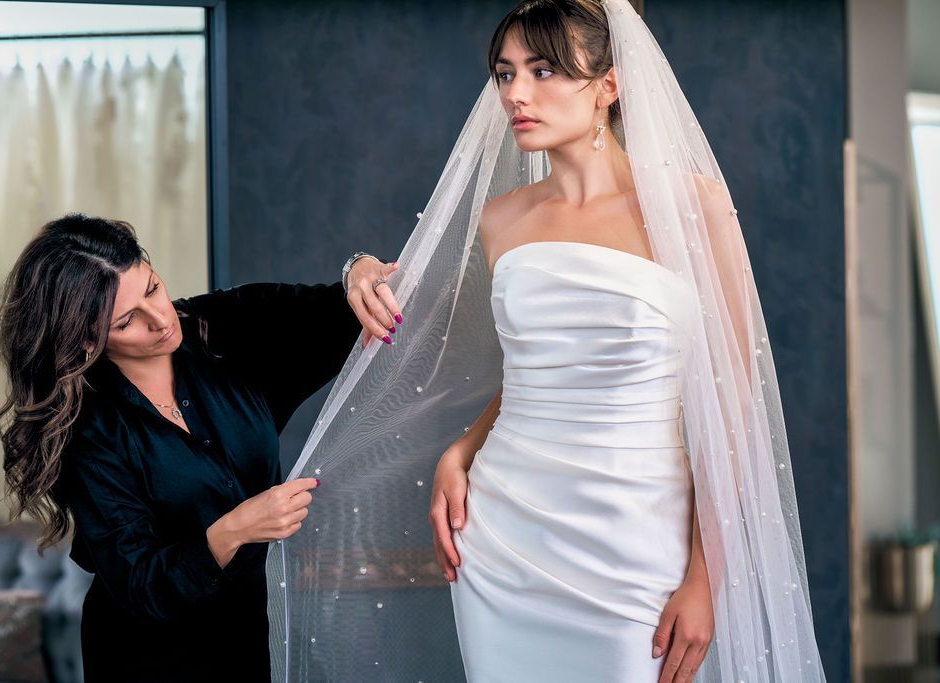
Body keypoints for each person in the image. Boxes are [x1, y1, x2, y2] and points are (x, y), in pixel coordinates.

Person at [268, 1, 827, 682]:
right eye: (505, 73)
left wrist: (704, 579)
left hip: (637, 538)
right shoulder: (503, 221)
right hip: (506, 537)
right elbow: (542, 372)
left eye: (544, 70)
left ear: (609, 86)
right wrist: (463, 446)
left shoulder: (693, 208)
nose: (516, 94)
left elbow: (731, 409)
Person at [0, 214, 401, 682]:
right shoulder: (87, 431)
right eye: (128, 322)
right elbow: (140, 583)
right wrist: (235, 530)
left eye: (152, 289)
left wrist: (359, 270)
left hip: (252, 635)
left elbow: (339, 309)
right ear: (86, 341)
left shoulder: (220, 331)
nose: (160, 319)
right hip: (149, 657)